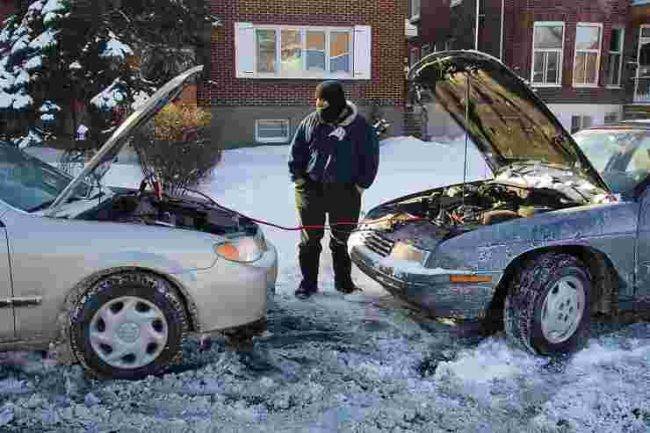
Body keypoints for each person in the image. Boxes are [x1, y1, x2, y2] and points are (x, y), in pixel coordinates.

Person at [288, 80, 380, 299]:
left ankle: (344, 283)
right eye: (317, 99)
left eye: (323, 100)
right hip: (311, 189)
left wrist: (360, 186)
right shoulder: (311, 121)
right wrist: (299, 180)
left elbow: (370, 158)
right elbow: (296, 152)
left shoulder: (359, 127)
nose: (318, 104)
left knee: (342, 240)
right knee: (310, 240)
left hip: (345, 192)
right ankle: (308, 284)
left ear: (335, 102)